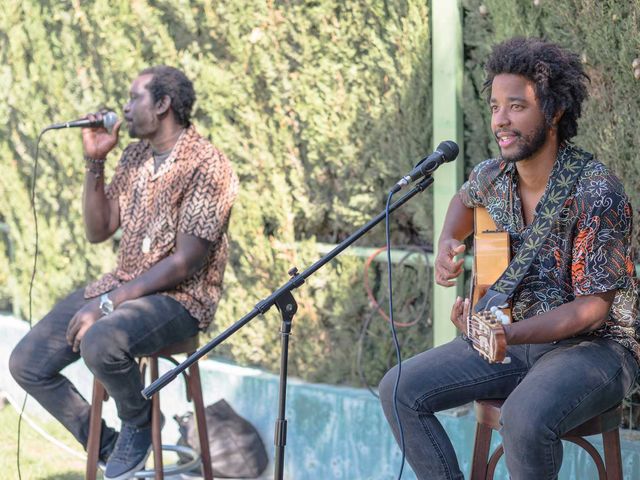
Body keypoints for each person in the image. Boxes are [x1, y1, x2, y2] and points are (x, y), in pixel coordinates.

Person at [379, 37, 640, 479]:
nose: (501, 119)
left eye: (516, 106)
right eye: (496, 106)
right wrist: (447, 243)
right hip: (515, 340)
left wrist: (506, 334)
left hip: (597, 351)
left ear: (554, 111)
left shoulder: (597, 192)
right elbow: (464, 202)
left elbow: (594, 310)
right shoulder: (492, 176)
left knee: (522, 419)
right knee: (399, 388)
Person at [10, 65, 239, 480]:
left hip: (180, 299)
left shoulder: (208, 165)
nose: (125, 108)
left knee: (102, 339)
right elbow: (99, 230)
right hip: (124, 286)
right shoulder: (134, 156)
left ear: (164, 104)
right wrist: (94, 162)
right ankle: (107, 443)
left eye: (135, 98)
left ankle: (138, 420)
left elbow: (186, 262)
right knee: (26, 363)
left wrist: (110, 303)